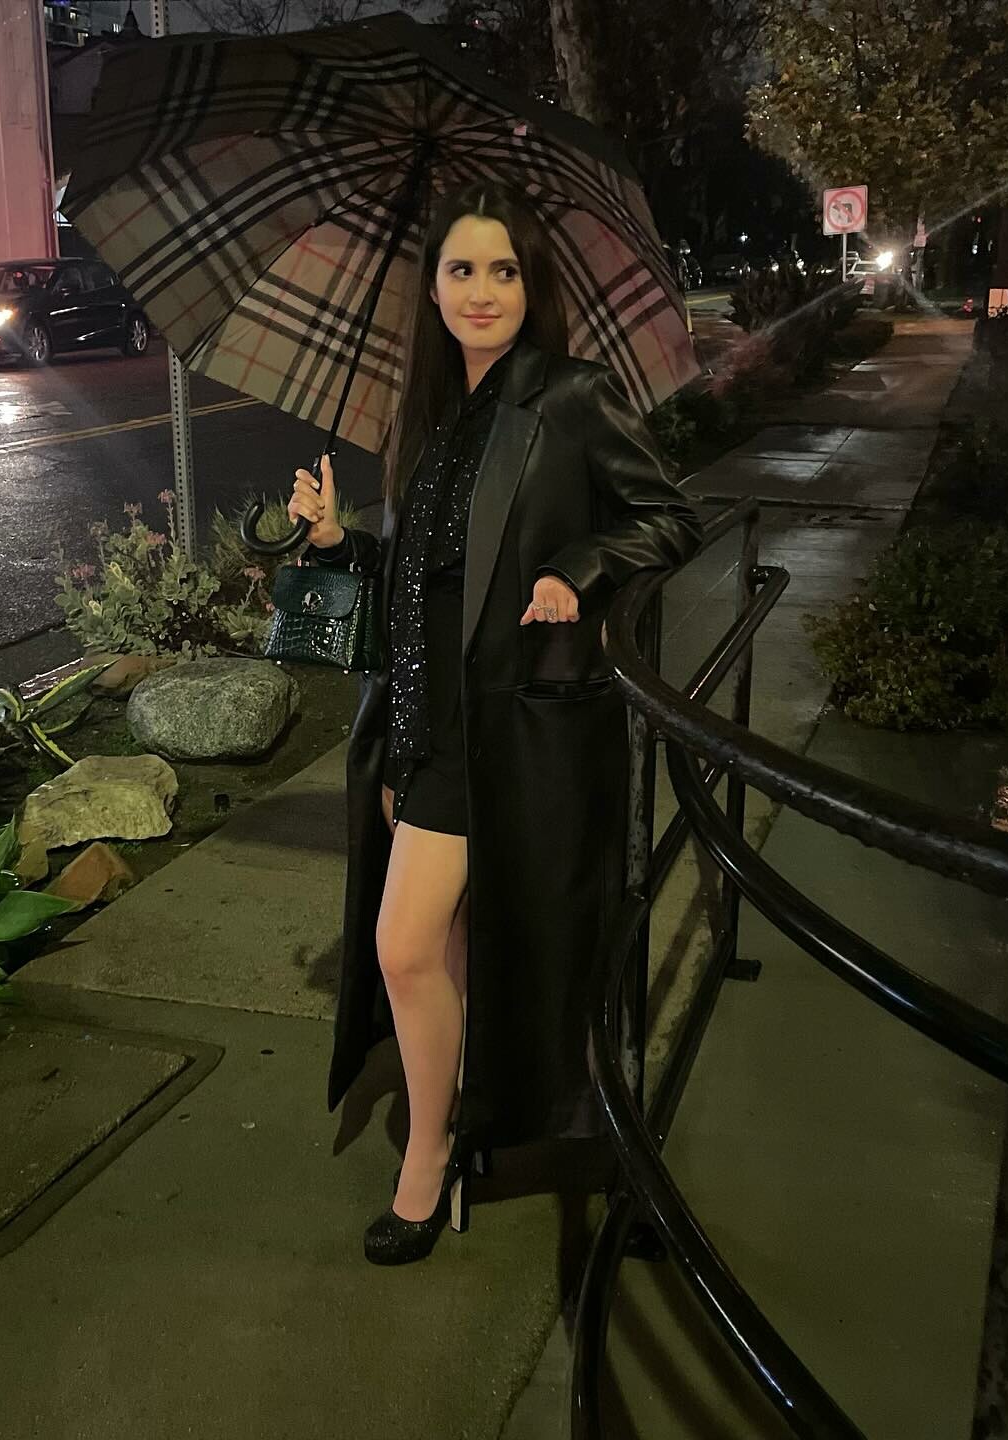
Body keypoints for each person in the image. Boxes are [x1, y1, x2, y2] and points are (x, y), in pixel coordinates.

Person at [287, 181, 702, 1267]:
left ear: (532, 286)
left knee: (408, 947)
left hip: (514, 733)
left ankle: (429, 1159)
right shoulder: (432, 421)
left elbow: (669, 516)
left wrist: (580, 569)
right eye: (462, 270)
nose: (482, 291)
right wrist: (338, 544)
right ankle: (469, 1121)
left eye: (504, 270)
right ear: (430, 290)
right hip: (425, 724)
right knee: (452, 948)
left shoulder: (568, 396)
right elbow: (427, 584)